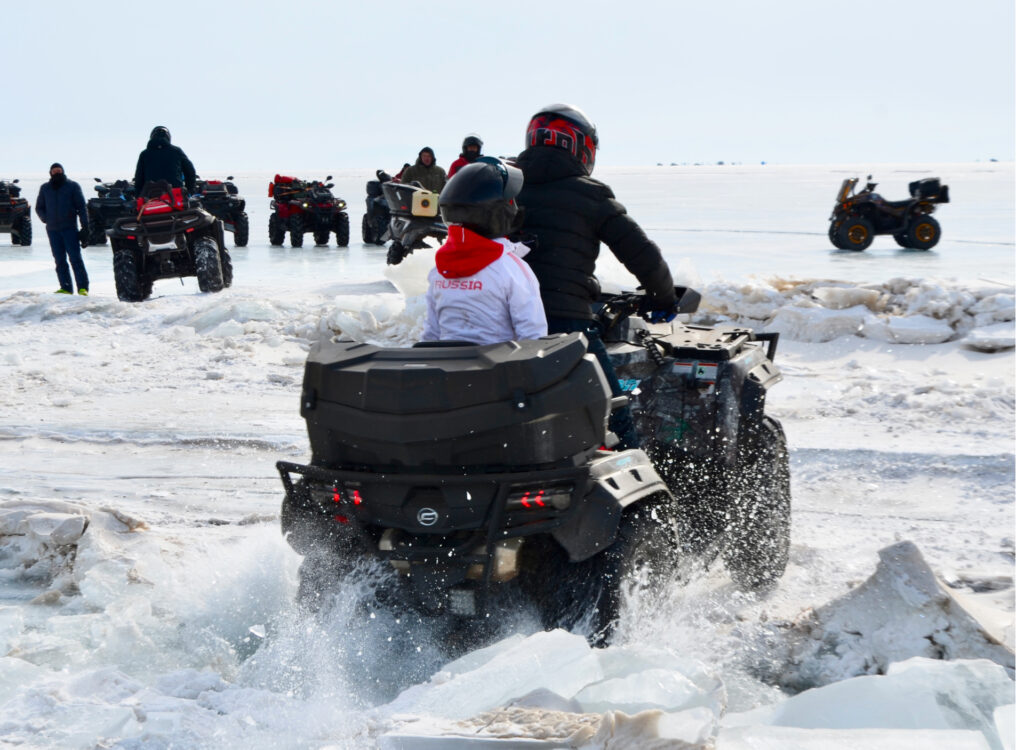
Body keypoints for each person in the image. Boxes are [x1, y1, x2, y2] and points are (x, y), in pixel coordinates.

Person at [514, 103, 677, 448]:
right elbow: (643, 255)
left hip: (501, 326)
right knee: (615, 415)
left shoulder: (503, 187)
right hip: (566, 326)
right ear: (580, 147)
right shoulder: (590, 195)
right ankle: (642, 493)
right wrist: (664, 297)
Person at [422, 159, 546, 345]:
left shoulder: (439, 269)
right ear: (500, 211)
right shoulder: (511, 269)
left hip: (446, 368)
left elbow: (431, 335)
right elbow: (533, 335)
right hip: (497, 370)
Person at [35, 163, 90, 296]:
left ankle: (83, 288)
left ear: (63, 171)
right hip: (53, 230)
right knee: (59, 260)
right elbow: (39, 207)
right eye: (54, 171)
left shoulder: (72, 186)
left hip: (69, 228)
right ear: (50, 173)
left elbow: (82, 207)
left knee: (75, 258)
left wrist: (85, 227)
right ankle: (66, 288)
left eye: (59, 170)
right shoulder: (45, 188)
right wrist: (45, 218)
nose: (57, 173)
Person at [133, 126, 197, 196]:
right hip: (175, 195)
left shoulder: (144, 154)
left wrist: (138, 196)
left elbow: (139, 178)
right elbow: (190, 171)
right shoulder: (176, 151)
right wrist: (190, 190)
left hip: (151, 196)